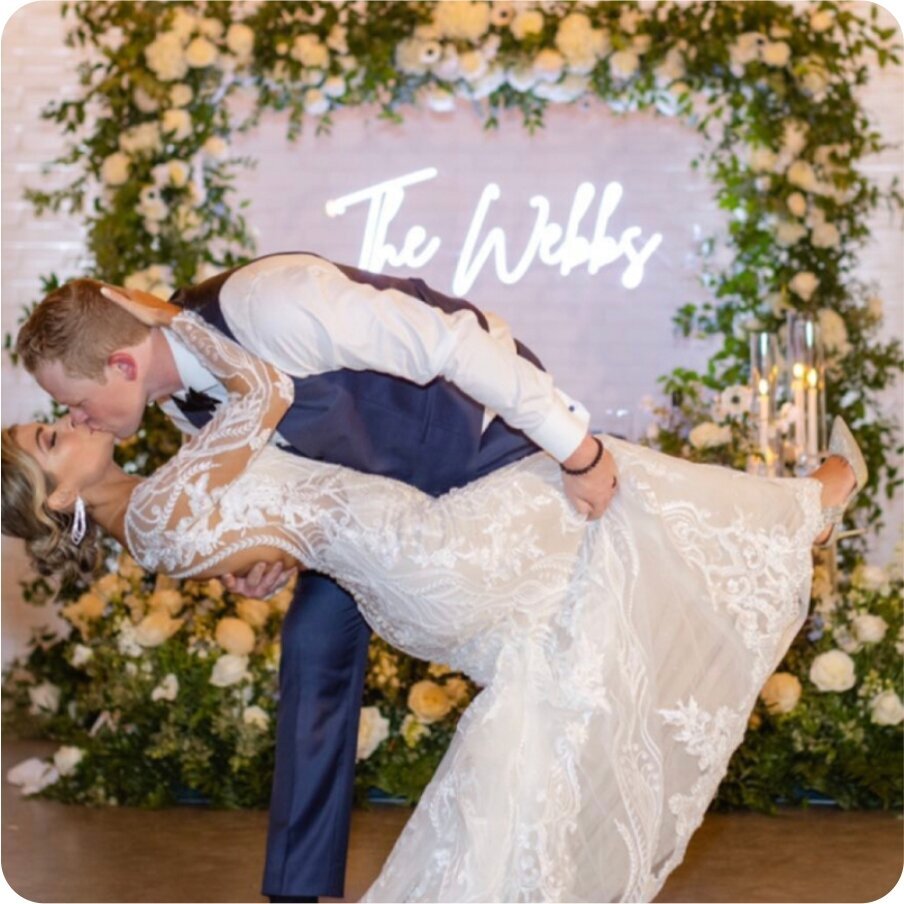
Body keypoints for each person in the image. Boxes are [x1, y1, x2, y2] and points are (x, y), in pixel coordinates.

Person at [2, 295, 867, 902]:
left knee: (559, 675)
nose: (71, 420)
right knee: (613, 490)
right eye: (52, 435)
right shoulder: (155, 506)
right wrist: (163, 320)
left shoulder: (153, 511)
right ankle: (807, 512)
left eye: (58, 412)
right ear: (54, 506)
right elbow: (265, 393)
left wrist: (263, 555)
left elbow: (271, 521)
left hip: (409, 571)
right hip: (430, 556)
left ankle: (518, 880)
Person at [10, 252, 618, 903]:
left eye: (73, 401)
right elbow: (279, 475)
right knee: (313, 643)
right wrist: (268, 551)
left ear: (121, 365)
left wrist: (577, 449)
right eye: (61, 416)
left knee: (553, 637)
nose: (76, 416)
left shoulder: (268, 303)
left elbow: (452, 343)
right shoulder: (177, 409)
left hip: (478, 440)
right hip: (378, 517)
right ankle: (297, 891)